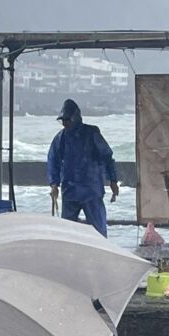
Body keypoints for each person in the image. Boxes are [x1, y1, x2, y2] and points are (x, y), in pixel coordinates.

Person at [47, 98, 120, 236]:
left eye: (67, 120)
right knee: (67, 232)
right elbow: (53, 160)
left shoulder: (92, 134)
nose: (65, 123)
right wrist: (53, 184)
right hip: (70, 191)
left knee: (99, 231)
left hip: (91, 190)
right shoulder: (61, 138)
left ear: (75, 118)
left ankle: (101, 254)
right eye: (63, 120)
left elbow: (107, 157)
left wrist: (113, 180)